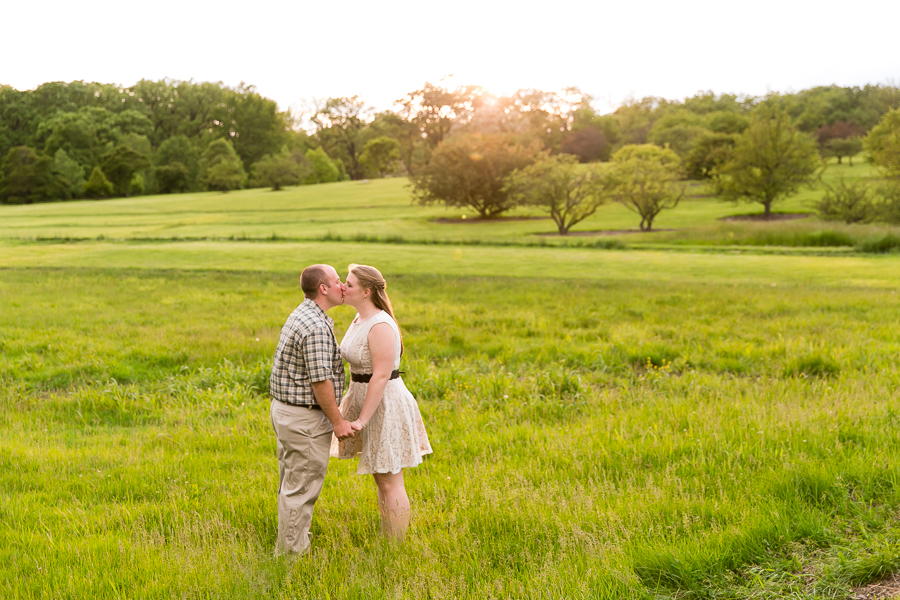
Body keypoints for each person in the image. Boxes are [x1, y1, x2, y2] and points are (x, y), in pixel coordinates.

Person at [331, 264, 432, 542]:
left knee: (389, 477)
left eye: (349, 284)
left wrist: (362, 419)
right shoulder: (358, 319)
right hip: (366, 397)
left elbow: (381, 376)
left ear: (366, 291)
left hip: (385, 403)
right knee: (380, 475)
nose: (343, 287)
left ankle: (395, 546)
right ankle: (388, 536)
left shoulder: (381, 324)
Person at [269, 264, 357, 555]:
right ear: (323, 288)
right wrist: (338, 421)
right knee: (301, 490)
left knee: (291, 484)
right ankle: (290, 560)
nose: (342, 286)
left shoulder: (303, 313)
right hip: (304, 418)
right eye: (336, 282)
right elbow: (321, 381)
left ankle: (289, 546)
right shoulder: (316, 326)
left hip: (286, 412)